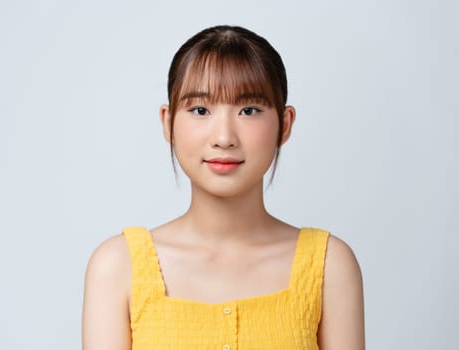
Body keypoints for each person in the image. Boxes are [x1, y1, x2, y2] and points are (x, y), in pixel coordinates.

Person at [82, 25, 365, 350]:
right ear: (167, 122)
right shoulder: (118, 266)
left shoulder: (330, 265)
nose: (224, 137)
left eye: (249, 110)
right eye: (200, 110)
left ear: (285, 125)